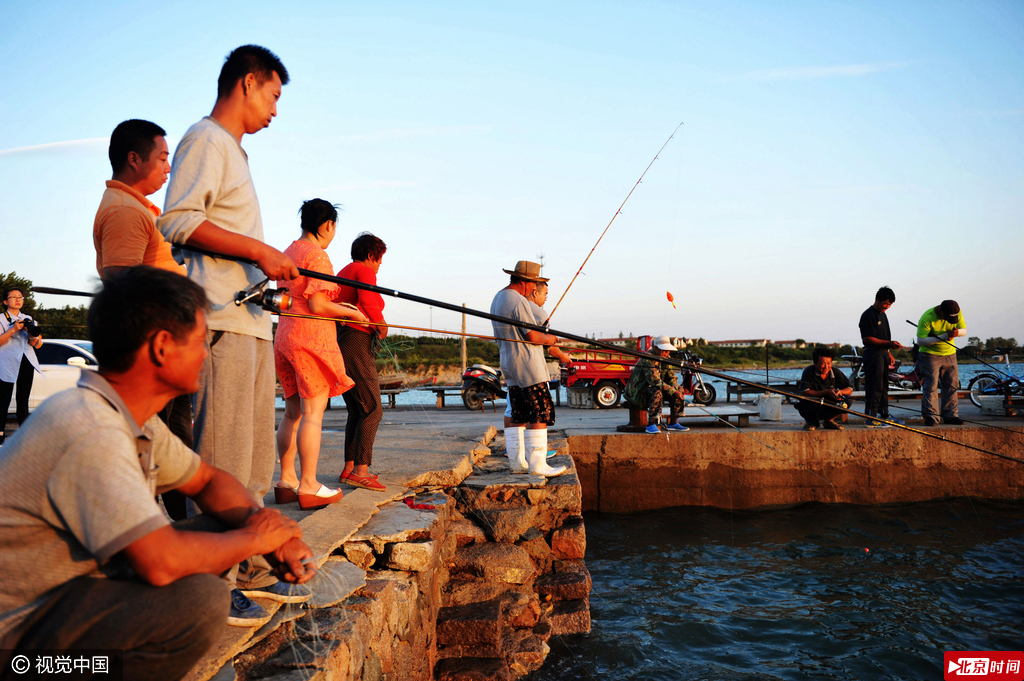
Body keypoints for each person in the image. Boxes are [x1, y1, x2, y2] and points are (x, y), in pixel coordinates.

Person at [0, 267, 316, 680]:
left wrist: (271, 534)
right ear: (163, 346)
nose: (207, 353)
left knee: (225, 527)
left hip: (76, 597)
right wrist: (256, 539)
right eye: (202, 340)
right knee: (199, 601)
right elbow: (161, 564)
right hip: (21, 650)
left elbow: (206, 480)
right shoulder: (90, 428)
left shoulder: (131, 417)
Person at [157, 44, 300, 623]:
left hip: (252, 324)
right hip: (219, 321)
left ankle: (250, 563)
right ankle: (212, 583)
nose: (275, 109)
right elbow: (178, 219)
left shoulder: (236, 153)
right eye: (273, 95)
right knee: (220, 461)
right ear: (247, 83)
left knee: (254, 461)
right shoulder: (205, 139)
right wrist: (261, 251)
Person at [93, 118, 193, 518]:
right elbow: (123, 289)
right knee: (150, 441)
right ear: (134, 159)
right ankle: (147, 526)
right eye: (163, 158)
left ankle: (182, 522)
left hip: (172, 342)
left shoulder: (139, 207)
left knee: (175, 439)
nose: (169, 168)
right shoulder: (122, 210)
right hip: (155, 348)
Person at [274, 200, 367, 509]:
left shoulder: (288, 252)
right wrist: (351, 313)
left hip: (285, 336)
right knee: (314, 413)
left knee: (292, 413)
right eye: (334, 227)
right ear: (327, 224)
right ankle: (309, 485)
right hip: (309, 338)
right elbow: (317, 305)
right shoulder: (317, 256)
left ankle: (287, 481)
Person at [490, 261, 566, 476]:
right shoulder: (517, 300)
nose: (534, 288)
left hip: (509, 362)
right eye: (533, 283)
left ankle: (517, 464)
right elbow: (532, 335)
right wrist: (550, 340)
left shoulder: (499, 297)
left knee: (518, 413)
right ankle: (538, 465)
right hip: (527, 363)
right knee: (539, 412)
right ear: (524, 281)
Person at [334, 232, 390, 492]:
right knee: (373, 409)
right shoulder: (364, 271)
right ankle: (360, 471)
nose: (380, 265)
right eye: (379, 259)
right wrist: (381, 325)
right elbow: (368, 300)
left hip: (342, 340)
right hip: (357, 340)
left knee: (357, 409)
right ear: (371, 255)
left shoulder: (343, 271)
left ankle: (349, 467)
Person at [502, 280, 572, 432]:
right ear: (535, 292)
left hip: (510, 365)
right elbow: (544, 344)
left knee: (516, 412)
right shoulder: (536, 311)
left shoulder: (504, 302)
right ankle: (536, 453)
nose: (546, 299)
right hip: (530, 368)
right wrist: (561, 354)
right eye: (545, 294)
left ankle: (513, 451)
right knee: (540, 413)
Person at [0, 287, 42, 444]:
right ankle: (0, 433)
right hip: (6, 363)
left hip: (26, 361)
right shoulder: (1, 319)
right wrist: (13, 329)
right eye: (13, 297)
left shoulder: (28, 318)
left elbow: (35, 344)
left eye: (20, 297)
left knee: (23, 400)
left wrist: (32, 334)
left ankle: (25, 435)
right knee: (3, 400)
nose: (18, 299)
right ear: (6, 301)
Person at [623, 335, 689, 434]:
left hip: (652, 388)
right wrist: (672, 391)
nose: (667, 353)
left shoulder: (667, 358)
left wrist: (675, 388)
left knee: (679, 389)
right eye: (665, 350)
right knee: (657, 392)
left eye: (668, 350)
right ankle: (652, 424)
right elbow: (654, 381)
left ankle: (673, 422)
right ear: (656, 348)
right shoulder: (647, 359)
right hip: (637, 392)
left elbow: (672, 377)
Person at [915, 300, 966, 426]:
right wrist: (943, 337)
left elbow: (963, 329)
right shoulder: (927, 318)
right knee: (931, 386)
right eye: (947, 318)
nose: (950, 320)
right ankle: (931, 416)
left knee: (952, 384)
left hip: (950, 353)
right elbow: (921, 341)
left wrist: (957, 333)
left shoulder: (955, 312)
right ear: (941, 312)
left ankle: (951, 415)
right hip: (930, 355)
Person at [858, 286, 904, 428]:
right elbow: (868, 339)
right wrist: (889, 344)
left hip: (883, 354)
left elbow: (884, 337)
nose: (887, 307)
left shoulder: (883, 315)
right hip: (873, 354)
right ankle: (871, 417)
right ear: (877, 299)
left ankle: (884, 414)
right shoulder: (868, 315)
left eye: (890, 304)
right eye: (885, 303)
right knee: (875, 385)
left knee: (884, 385)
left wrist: (889, 352)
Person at [795, 347, 853, 430]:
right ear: (815, 363)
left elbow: (849, 389)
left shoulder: (836, 372)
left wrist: (840, 392)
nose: (826, 367)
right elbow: (805, 392)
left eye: (829, 363)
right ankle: (810, 423)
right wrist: (826, 392)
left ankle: (829, 421)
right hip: (815, 404)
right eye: (823, 363)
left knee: (847, 400)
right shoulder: (809, 371)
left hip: (830, 404)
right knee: (806, 402)